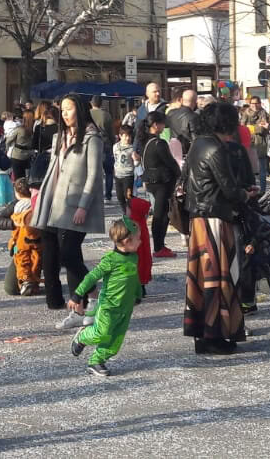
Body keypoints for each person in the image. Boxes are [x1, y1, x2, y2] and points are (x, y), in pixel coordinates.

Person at [181, 100, 254, 354]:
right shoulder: (216, 148)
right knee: (218, 277)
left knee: (201, 279)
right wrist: (246, 195)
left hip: (198, 218)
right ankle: (215, 334)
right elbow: (229, 189)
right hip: (214, 218)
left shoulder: (197, 144)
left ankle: (202, 334)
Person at [31, 94, 107, 328]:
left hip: (77, 204)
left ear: (80, 110)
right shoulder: (60, 137)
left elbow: (94, 175)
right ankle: (79, 308)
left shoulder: (91, 139)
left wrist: (83, 205)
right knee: (70, 256)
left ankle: (93, 294)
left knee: (68, 254)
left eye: (69, 109)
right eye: (62, 109)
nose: (64, 113)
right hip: (57, 202)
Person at [69, 217, 144, 376]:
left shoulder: (133, 257)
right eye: (138, 238)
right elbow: (91, 277)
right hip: (108, 307)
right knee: (102, 333)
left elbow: (134, 277)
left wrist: (138, 292)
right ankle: (82, 336)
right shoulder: (110, 260)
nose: (141, 241)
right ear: (126, 241)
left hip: (125, 308)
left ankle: (96, 361)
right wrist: (77, 294)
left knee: (115, 341)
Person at [139, 110, 179, 259]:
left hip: (151, 181)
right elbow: (170, 162)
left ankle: (159, 245)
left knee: (159, 213)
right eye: (162, 123)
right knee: (161, 215)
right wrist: (179, 174)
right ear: (156, 125)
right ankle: (159, 246)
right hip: (162, 181)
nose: (164, 126)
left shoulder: (145, 141)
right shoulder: (159, 143)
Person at [8, 179, 43, 295]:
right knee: (36, 259)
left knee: (21, 259)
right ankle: (34, 282)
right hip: (37, 237)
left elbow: (16, 222)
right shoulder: (36, 204)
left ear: (17, 193)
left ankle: (25, 280)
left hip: (20, 240)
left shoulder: (18, 205)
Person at [112, 127, 137, 212]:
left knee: (128, 196)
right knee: (120, 197)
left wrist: (137, 159)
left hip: (128, 175)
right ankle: (126, 213)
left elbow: (136, 163)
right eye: (125, 136)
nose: (128, 138)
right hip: (118, 175)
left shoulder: (132, 148)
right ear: (120, 136)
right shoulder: (115, 146)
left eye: (129, 136)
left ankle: (132, 213)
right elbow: (115, 159)